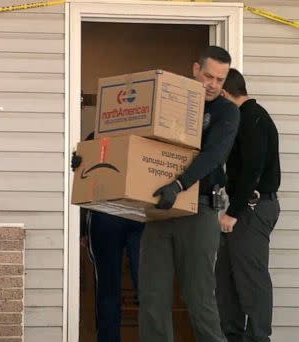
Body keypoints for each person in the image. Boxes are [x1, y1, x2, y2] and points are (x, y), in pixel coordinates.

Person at [138, 46, 240, 342]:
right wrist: (90, 159)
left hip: (200, 210)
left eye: (220, 80)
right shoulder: (168, 103)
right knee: (152, 299)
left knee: (200, 301)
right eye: (208, 76)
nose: (213, 84)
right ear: (195, 69)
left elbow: (214, 155)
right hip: (159, 211)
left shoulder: (226, 112)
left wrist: (180, 184)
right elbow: (135, 138)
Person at [215, 68, 281, 342]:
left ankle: (257, 337)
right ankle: (231, 335)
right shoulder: (240, 119)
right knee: (226, 279)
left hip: (252, 209)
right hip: (241, 208)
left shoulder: (253, 118)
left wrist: (233, 212)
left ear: (224, 92)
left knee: (251, 280)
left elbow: (253, 168)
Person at [71, 137, 145, 342]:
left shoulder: (100, 132)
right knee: (138, 288)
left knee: (114, 289)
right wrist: (83, 228)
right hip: (128, 214)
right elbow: (83, 172)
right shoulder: (144, 129)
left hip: (127, 216)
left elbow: (83, 172)